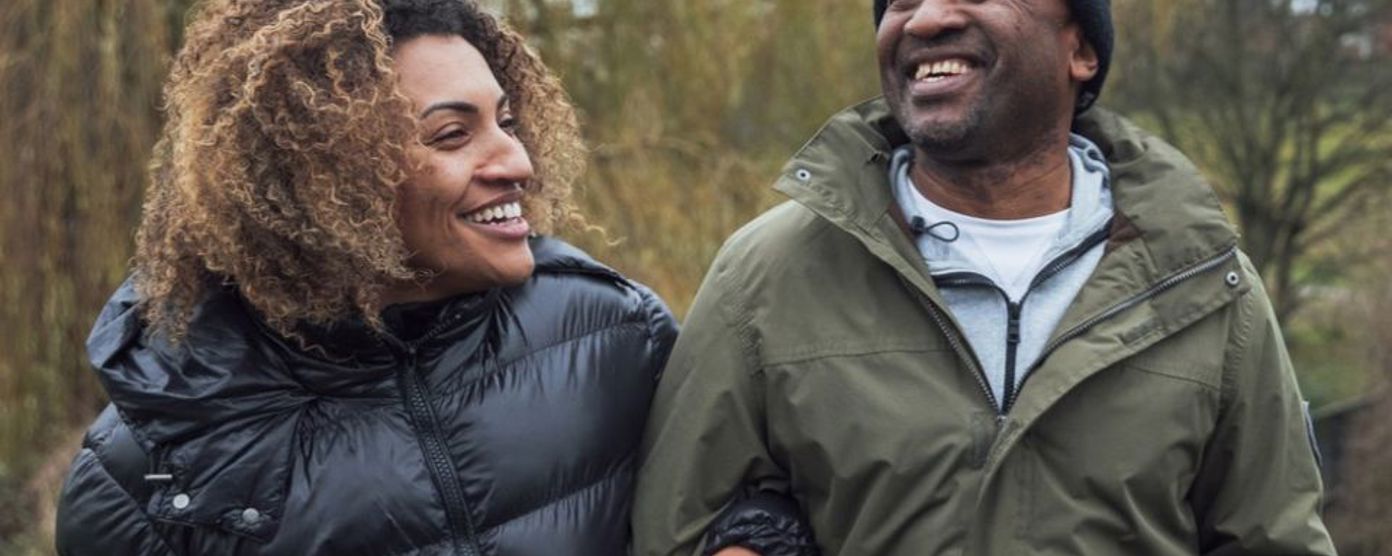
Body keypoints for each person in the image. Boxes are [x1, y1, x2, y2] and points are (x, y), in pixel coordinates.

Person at [633, 0, 1336, 554]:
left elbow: (1273, 539)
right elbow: (681, 530)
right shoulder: (764, 275)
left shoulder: (1206, 282)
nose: (927, 18)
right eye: (901, 0)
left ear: (1081, 49)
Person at [54, 0, 676, 554]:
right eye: (453, 135)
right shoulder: (149, 466)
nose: (519, 162)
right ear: (322, 180)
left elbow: (747, 493)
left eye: (506, 122)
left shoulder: (618, 334)